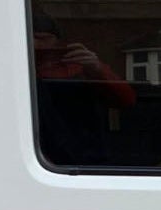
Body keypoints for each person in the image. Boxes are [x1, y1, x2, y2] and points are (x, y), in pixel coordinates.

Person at [33, 12, 134, 164]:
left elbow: (126, 100)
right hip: (37, 151)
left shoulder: (78, 66)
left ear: (58, 42)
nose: (34, 44)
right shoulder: (16, 69)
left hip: (83, 156)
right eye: (29, 38)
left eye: (41, 39)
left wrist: (97, 68)